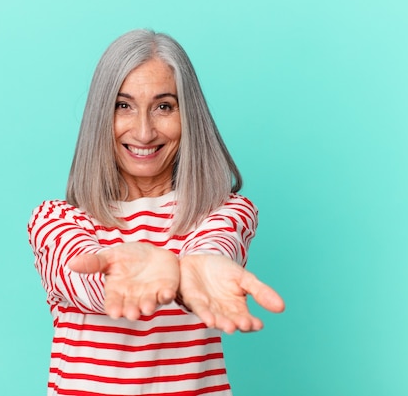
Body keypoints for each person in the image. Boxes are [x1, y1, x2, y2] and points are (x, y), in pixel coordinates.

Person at [27, 29, 285, 396]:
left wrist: (194, 269)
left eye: (164, 106)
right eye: (123, 105)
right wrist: (137, 275)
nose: (144, 131)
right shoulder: (55, 220)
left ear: (188, 117)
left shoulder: (226, 212)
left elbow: (216, 245)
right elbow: (79, 276)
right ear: (100, 115)